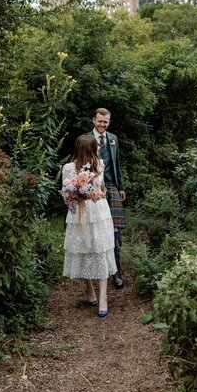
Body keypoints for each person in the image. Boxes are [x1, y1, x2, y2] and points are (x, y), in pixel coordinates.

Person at [62, 134, 117, 317]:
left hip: (99, 213)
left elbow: (101, 190)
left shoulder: (99, 165)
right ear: (88, 148)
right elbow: (66, 193)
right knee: (83, 250)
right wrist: (78, 194)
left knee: (101, 251)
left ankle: (103, 297)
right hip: (80, 213)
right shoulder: (69, 168)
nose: (98, 149)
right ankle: (89, 288)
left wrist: (98, 193)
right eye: (95, 147)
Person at [89, 107, 126, 289]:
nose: (102, 124)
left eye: (106, 122)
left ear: (109, 122)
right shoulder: (86, 139)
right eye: (100, 121)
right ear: (94, 120)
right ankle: (96, 271)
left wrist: (121, 187)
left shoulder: (113, 139)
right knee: (96, 232)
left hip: (110, 186)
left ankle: (116, 271)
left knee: (116, 230)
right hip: (92, 188)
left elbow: (117, 164)